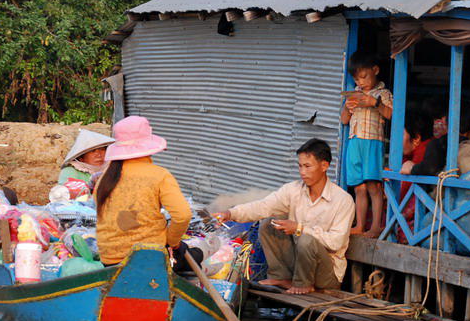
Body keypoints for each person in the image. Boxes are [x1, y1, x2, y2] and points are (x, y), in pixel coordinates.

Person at [214, 139, 354, 295]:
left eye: (308, 166)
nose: (302, 172)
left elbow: (336, 242)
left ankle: (303, 285)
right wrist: (231, 213)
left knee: (306, 239)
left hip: (327, 275)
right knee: (269, 224)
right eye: (300, 166)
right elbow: (263, 206)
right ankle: (281, 277)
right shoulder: (293, 190)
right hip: (299, 265)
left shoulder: (343, 200)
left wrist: (299, 229)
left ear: (324, 166)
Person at [95, 116, 199, 270]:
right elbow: (183, 215)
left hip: (109, 261)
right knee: (198, 254)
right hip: (150, 259)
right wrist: (172, 241)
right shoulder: (159, 175)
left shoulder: (105, 178)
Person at [340, 51, 393, 238]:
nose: (361, 82)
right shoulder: (354, 93)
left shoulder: (383, 93)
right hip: (354, 142)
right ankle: (360, 225)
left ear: (375, 70)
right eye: (357, 78)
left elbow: (391, 114)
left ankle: (376, 227)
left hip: (372, 142)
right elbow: (344, 121)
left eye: (364, 77)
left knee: (373, 185)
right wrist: (347, 107)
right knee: (358, 187)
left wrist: (374, 103)